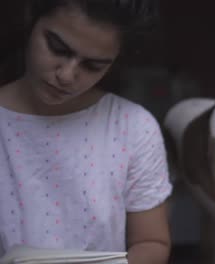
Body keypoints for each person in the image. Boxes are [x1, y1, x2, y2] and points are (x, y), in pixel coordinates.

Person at [0, 0, 172, 263]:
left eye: (92, 66)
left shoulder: (132, 126)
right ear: (31, 18)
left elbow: (151, 241)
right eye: (57, 48)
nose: (67, 75)